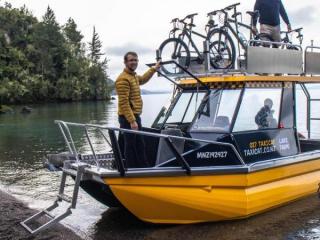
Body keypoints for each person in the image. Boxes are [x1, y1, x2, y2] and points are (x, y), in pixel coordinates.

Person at [115, 52, 160, 168]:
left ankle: (137, 168)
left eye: (136, 60)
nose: (134, 62)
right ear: (125, 62)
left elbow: (143, 79)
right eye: (131, 60)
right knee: (132, 145)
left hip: (134, 116)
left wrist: (154, 69)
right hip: (128, 118)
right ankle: (132, 171)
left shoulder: (133, 76)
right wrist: (132, 121)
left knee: (136, 144)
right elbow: (123, 103)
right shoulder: (123, 79)